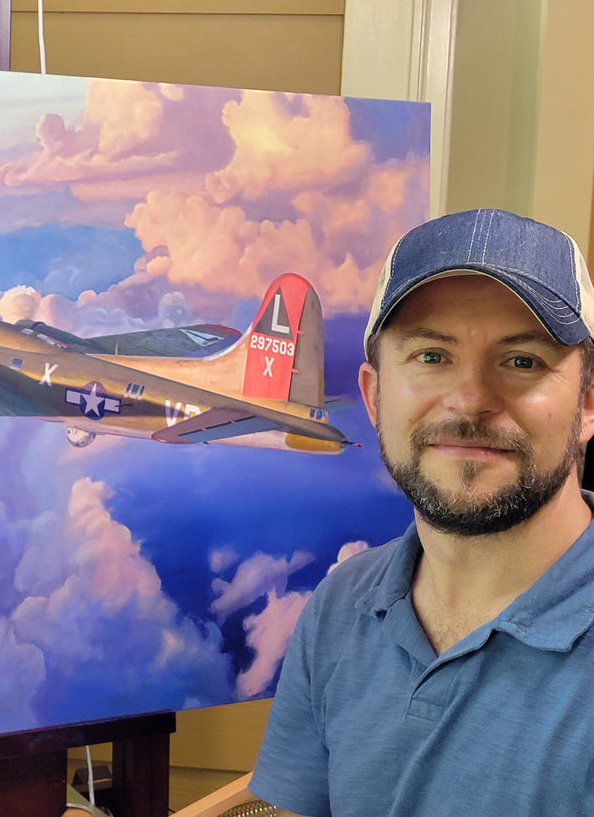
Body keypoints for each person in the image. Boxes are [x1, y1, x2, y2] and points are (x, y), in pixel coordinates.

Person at [248, 208, 594, 815]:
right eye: (432, 356)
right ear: (375, 396)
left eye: (522, 361)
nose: (469, 400)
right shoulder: (341, 606)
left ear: (587, 406)